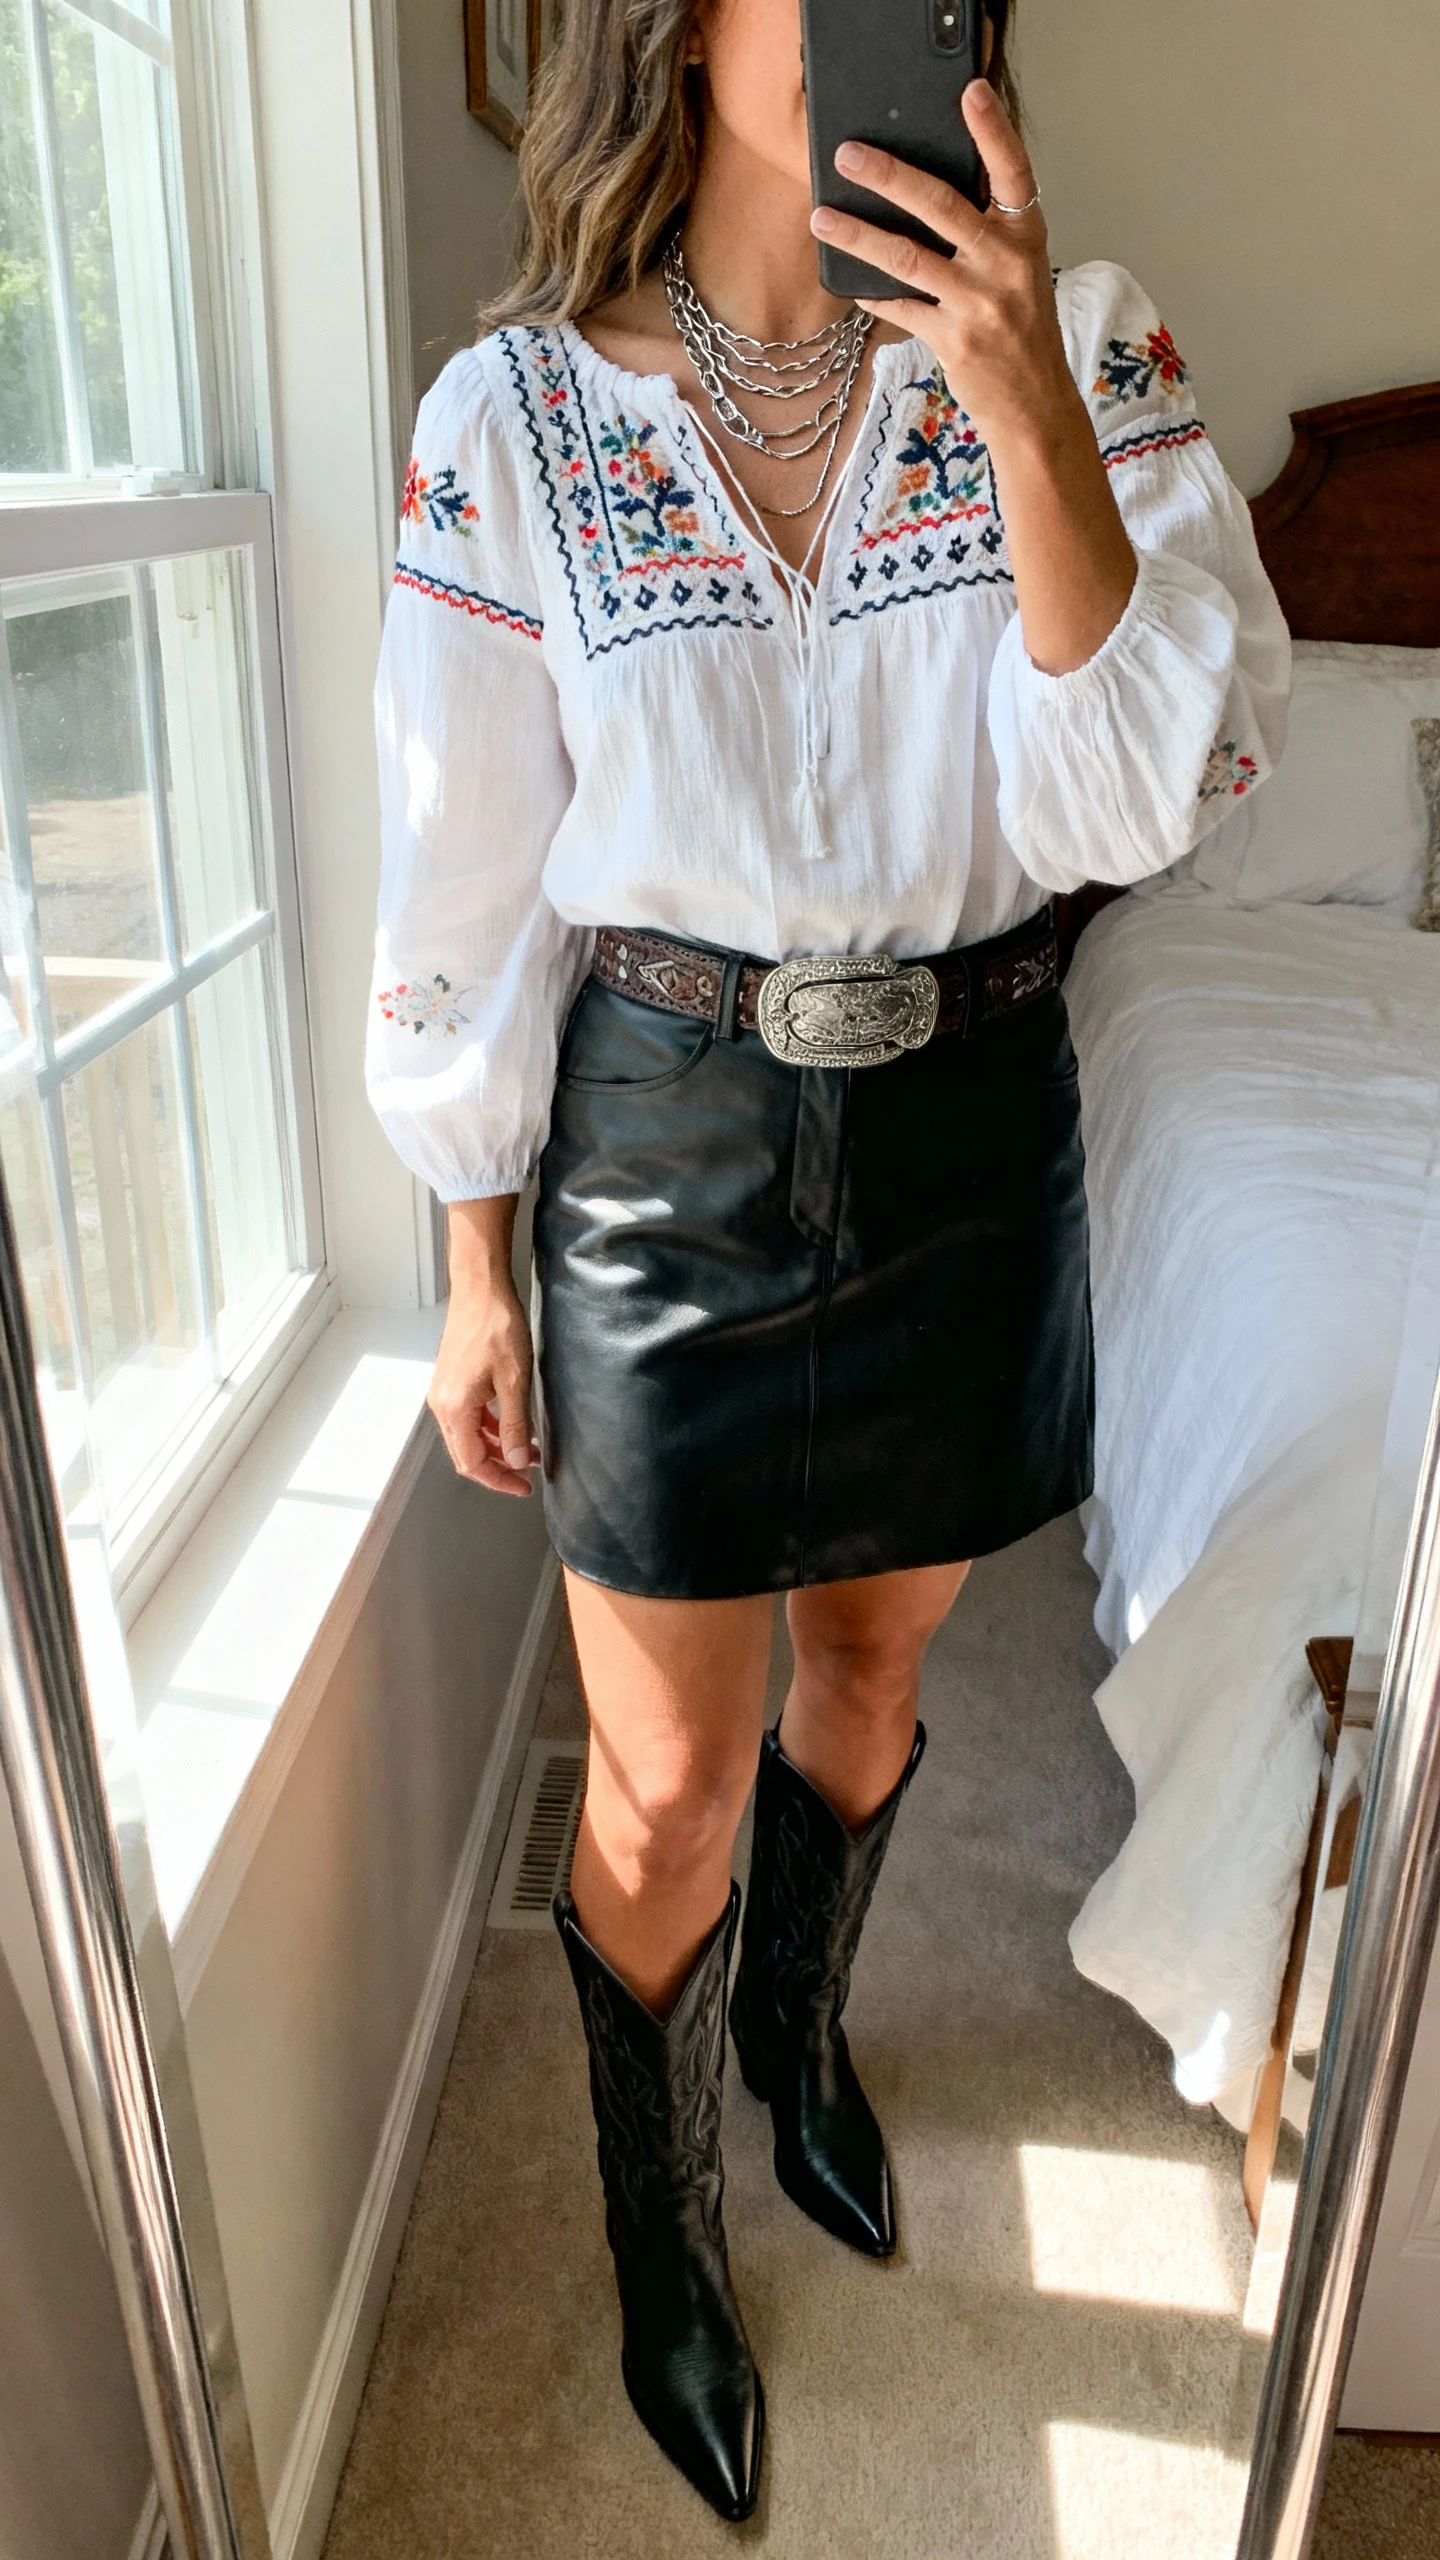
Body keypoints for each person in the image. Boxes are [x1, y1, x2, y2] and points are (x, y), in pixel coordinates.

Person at [366, 0, 1288, 2522]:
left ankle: (800, 2034)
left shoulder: (1088, 348)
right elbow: (460, 876)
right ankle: (665, 2240)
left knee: (871, 1678)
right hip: (655, 1153)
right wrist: (474, 1251)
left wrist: (1025, 416)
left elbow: (1162, 802)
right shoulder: (515, 420)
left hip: (973, 1125)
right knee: (657, 1782)